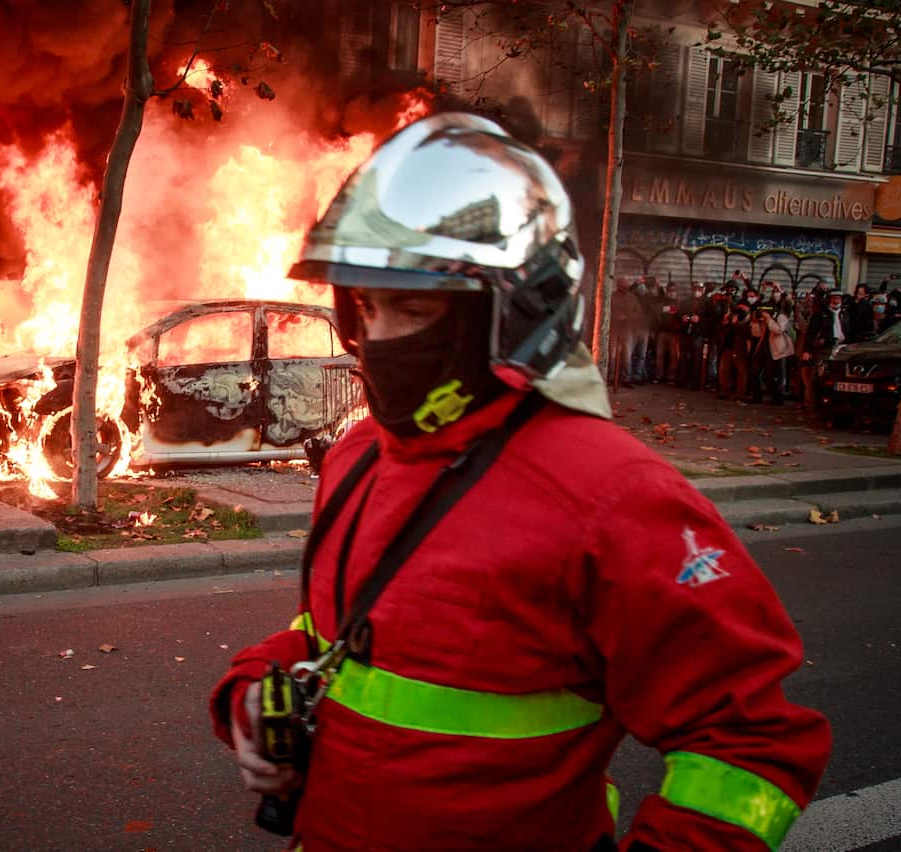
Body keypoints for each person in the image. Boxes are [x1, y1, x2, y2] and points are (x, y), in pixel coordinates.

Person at [209, 113, 830, 852]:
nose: (377, 338)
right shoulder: (358, 458)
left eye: (413, 306)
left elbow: (750, 743)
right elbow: (339, 635)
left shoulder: (613, 494)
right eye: (365, 307)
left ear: (511, 314)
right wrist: (255, 690)